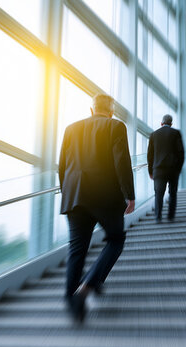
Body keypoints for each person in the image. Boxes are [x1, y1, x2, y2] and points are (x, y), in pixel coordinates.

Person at [58, 93, 135, 323]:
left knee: (77, 249)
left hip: (75, 197)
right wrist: (129, 196)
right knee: (115, 240)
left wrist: (67, 194)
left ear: (91, 110)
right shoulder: (115, 126)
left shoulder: (71, 128)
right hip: (105, 197)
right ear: (111, 111)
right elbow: (121, 161)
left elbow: (62, 166)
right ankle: (88, 286)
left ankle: (72, 302)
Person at [147, 114, 185, 223]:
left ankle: (158, 217)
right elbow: (181, 153)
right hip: (173, 169)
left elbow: (150, 155)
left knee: (159, 193)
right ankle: (170, 216)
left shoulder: (154, 135)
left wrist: (150, 171)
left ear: (161, 123)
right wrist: (178, 168)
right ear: (171, 123)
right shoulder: (176, 133)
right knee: (173, 193)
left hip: (158, 169)